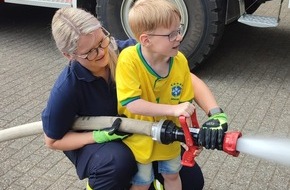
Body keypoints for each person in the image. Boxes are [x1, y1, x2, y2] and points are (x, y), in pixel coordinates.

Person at [42, 6, 227, 190]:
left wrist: (216, 114)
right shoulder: (67, 88)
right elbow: (52, 141)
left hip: (143, 132)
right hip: (99, 147)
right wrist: (98, 136)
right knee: (117, 163)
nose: (102, 52)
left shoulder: (128, 54)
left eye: (102, 40)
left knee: (191, 182)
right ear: (69, 55)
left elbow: (187, 78)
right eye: (90, 52)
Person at [115, 0, 196, 190]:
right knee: (142, 182)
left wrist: (191, 137)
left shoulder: (180, 61)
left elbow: (185, 103)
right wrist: (173, 109)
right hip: (139, 136)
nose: (179, 37)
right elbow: (132, 103)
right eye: (171, 34)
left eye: (179, 29)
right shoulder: (129, 60)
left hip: (169, 138)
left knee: (172, 175)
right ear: (146, 40)